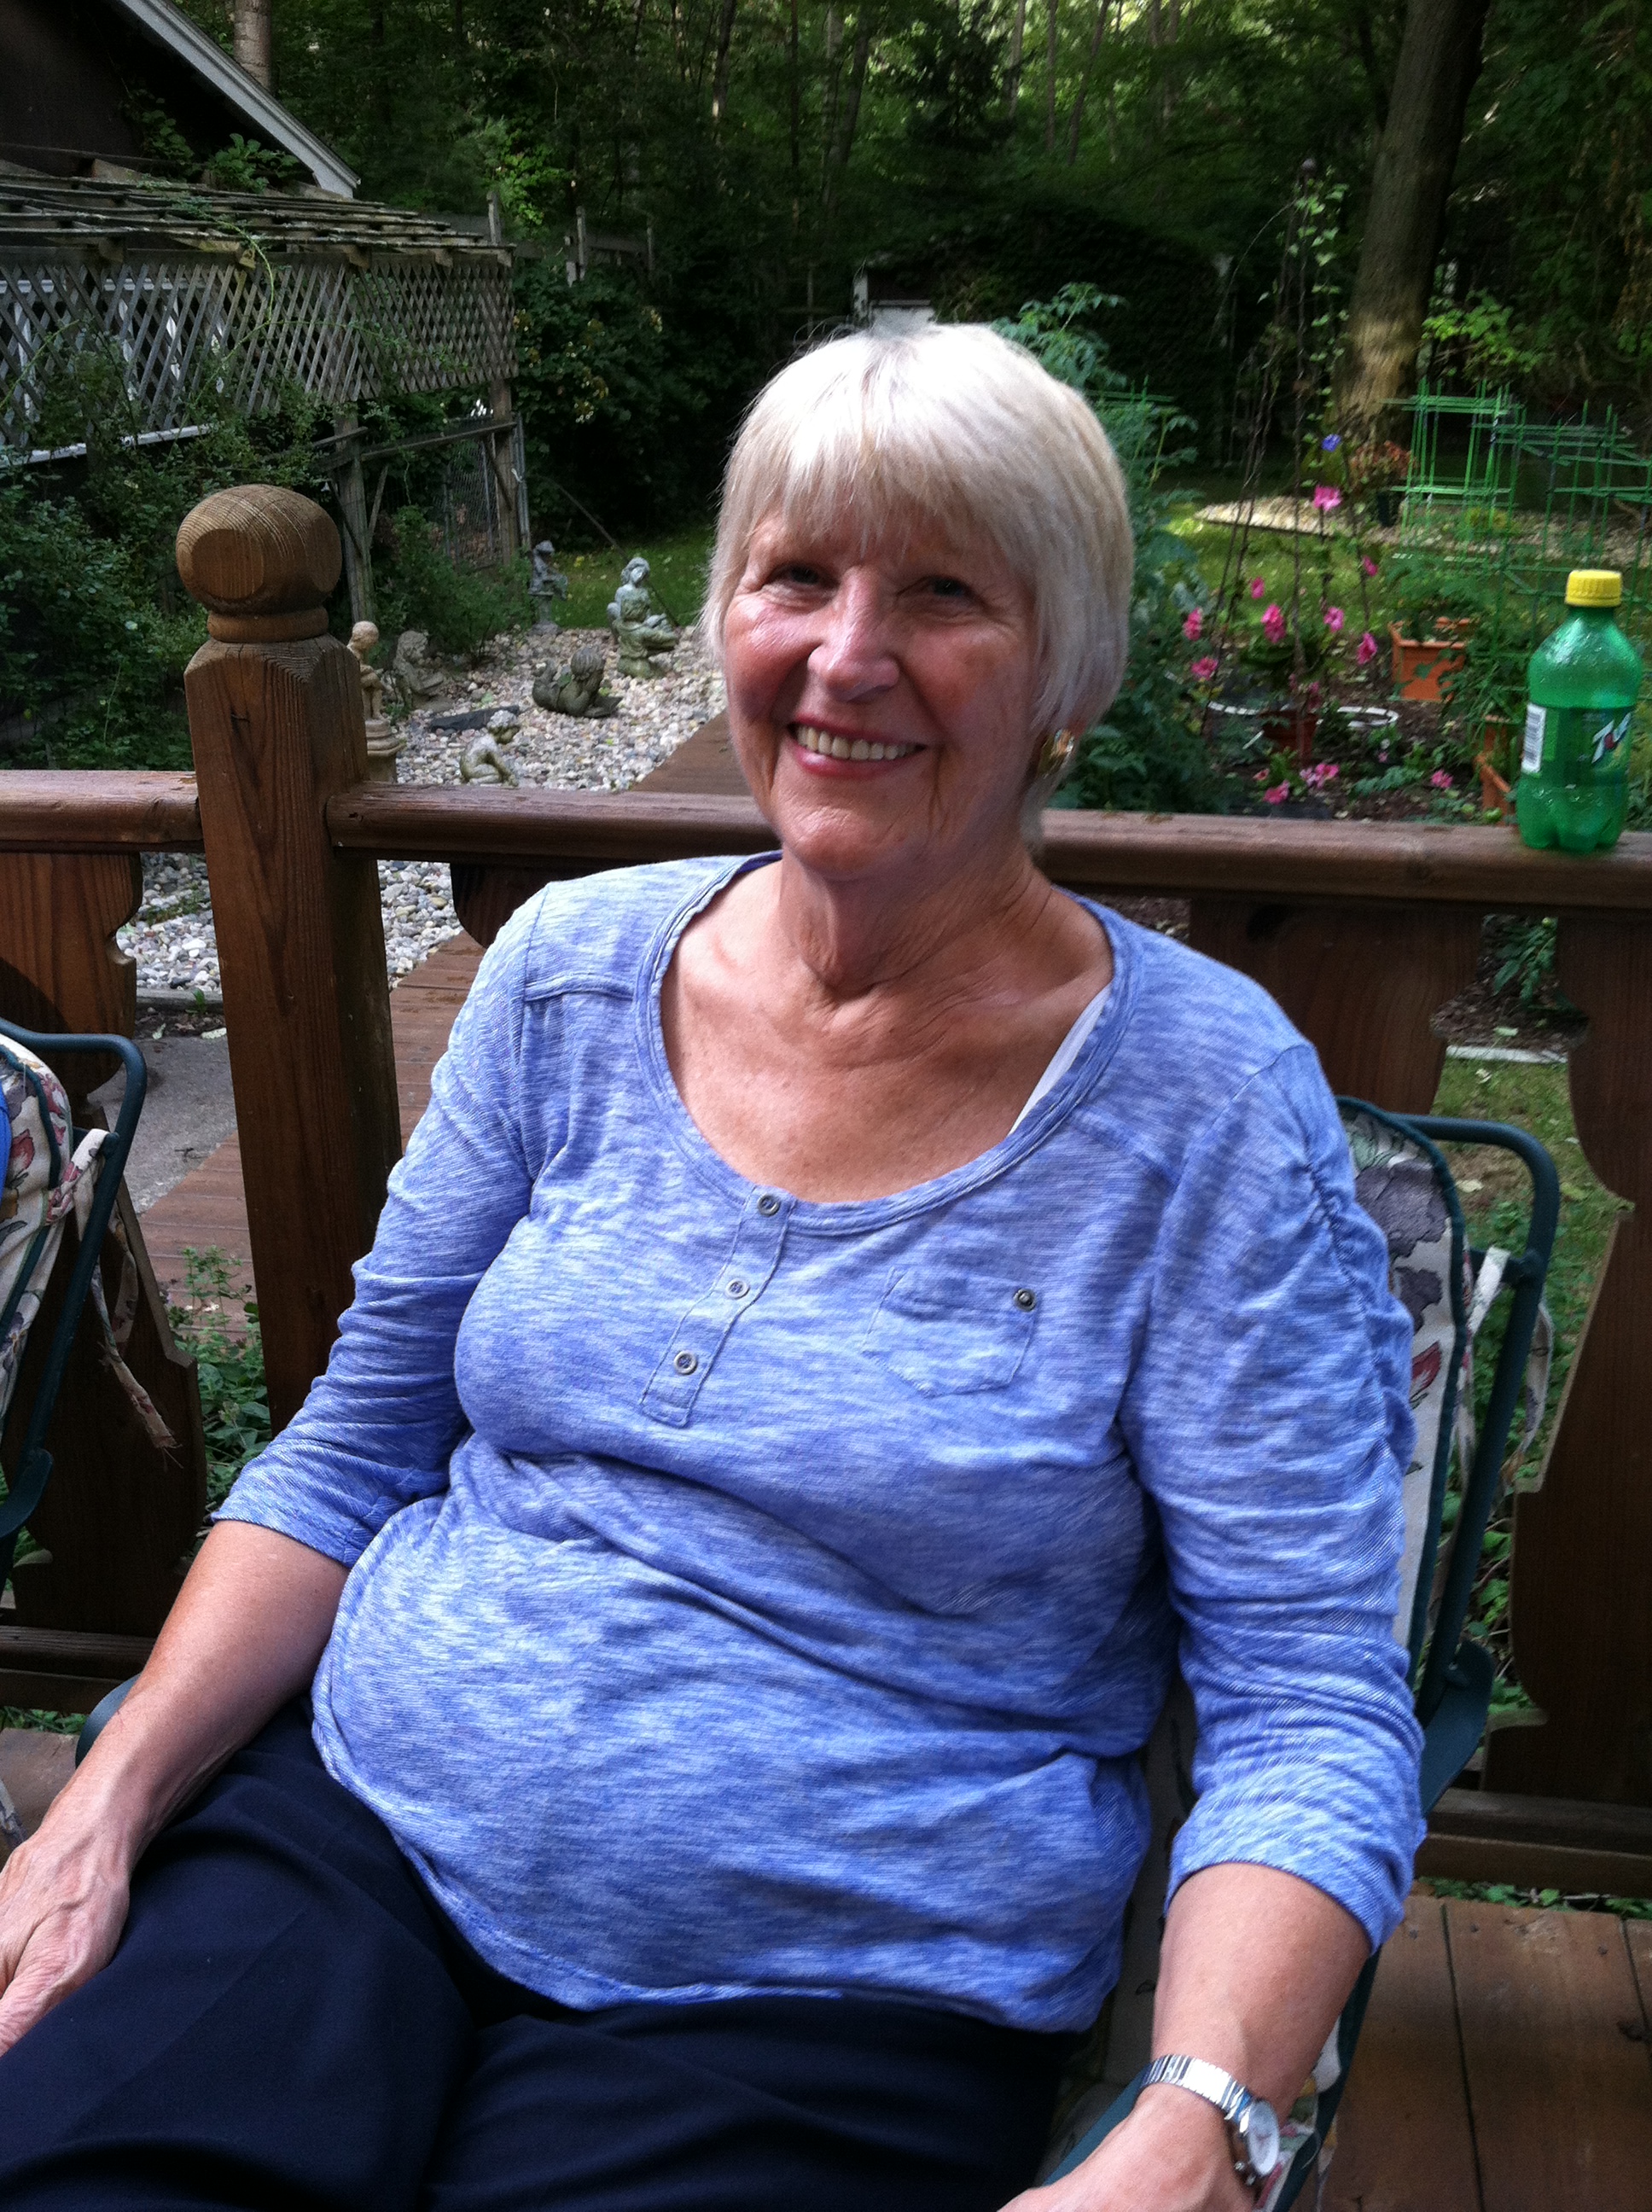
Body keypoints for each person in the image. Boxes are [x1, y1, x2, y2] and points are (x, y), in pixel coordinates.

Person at [0, 325, 1421, 2212]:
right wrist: (100, 1810)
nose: (848, 656)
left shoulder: (1205, 1108)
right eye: (794, 577)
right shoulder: (567, 976)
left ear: (1070, 674)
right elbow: (350, 1453)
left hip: (837, 1984)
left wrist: (1202, 2131)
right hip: (355, 1828)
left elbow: (1306, 1692)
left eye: (944, 595)